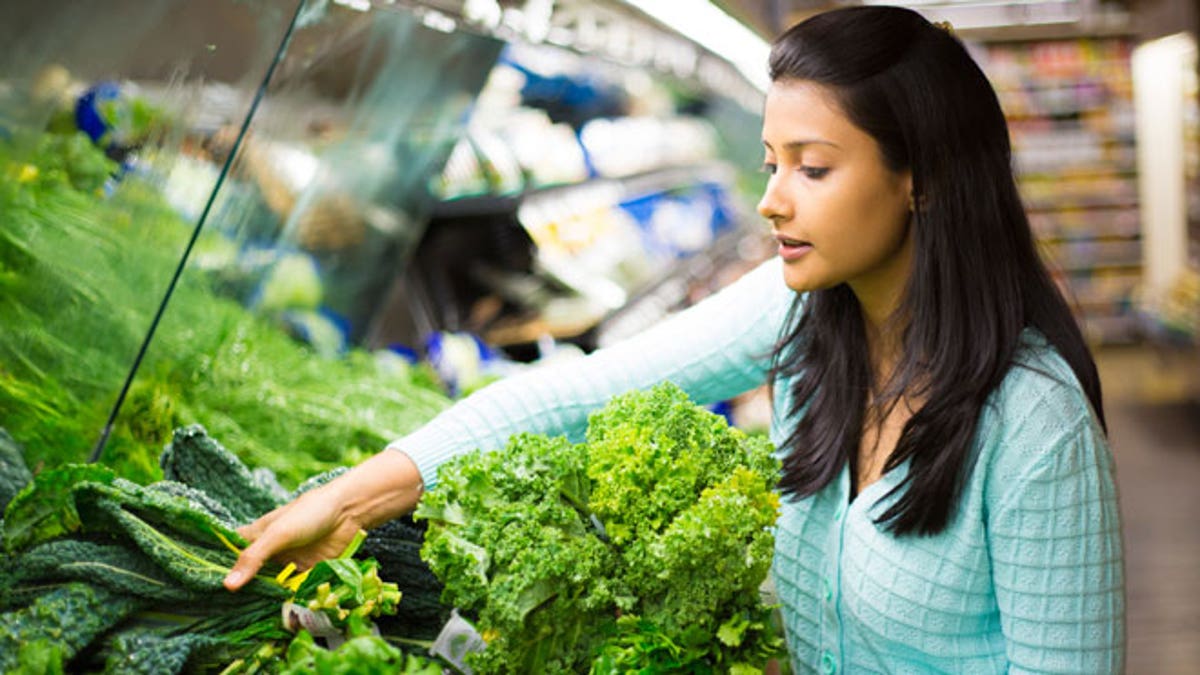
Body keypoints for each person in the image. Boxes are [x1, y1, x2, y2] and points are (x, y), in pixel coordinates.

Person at [224, 6, 1125, 672]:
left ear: (920, 179)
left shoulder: (1034, 428)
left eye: (813, 168)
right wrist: (348, 501)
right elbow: (577, 394)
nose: (772, 199)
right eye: (771, 164)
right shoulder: (805, 314)